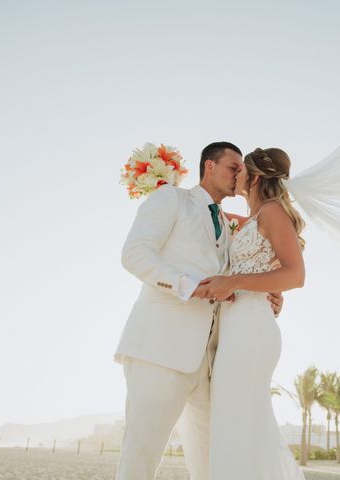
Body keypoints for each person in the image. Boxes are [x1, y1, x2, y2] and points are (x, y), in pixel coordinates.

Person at [114, 142, 283, 480]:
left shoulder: (228, 223)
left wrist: (268, 292)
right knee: (141, 457)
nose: (241, 175)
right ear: (209, 166)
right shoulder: (172, 199)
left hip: (210, 365)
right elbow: (134, 253)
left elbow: (245, 269)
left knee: (215, 463)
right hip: (159, 351)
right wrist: (189, 285)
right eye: (233, 167)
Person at [195, 147, 306, 480]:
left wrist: (236, 283)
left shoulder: (273, 211)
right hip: (236, 328)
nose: (237, 174)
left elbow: (295, 275)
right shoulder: (253, 220)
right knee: (235, 423)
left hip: (251, 329)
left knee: (241, 422)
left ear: (255, 178)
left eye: (242, 170)